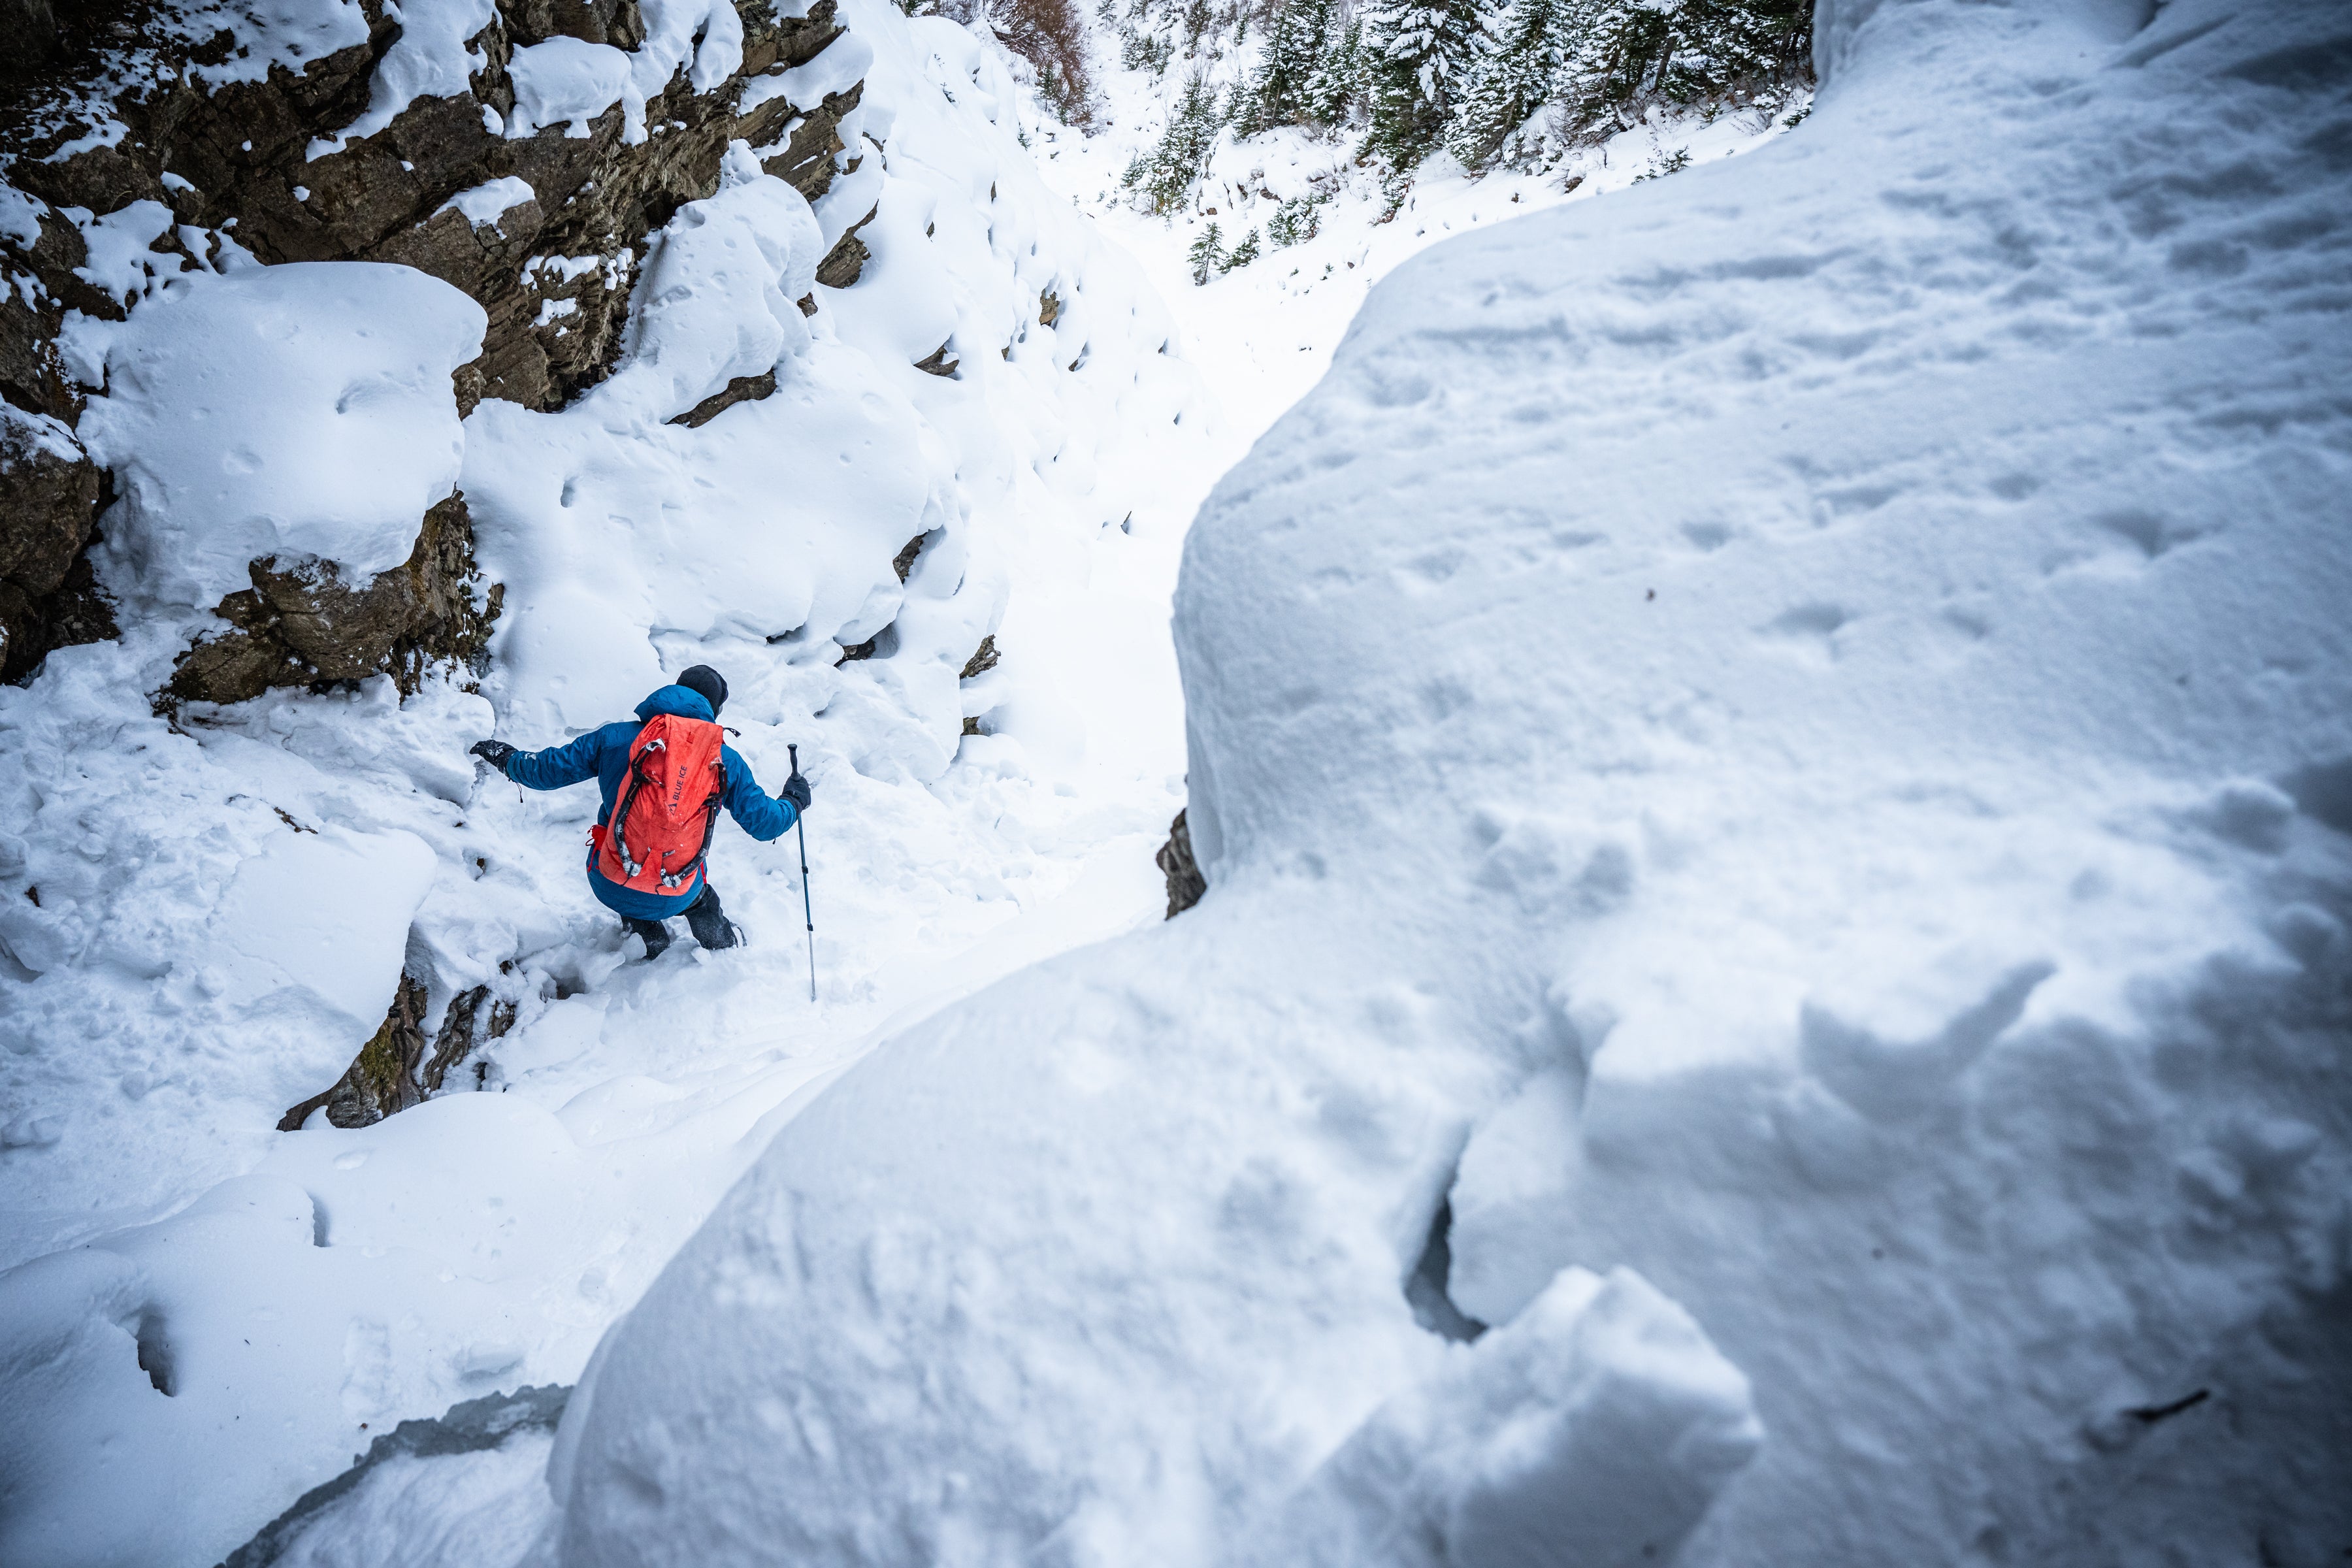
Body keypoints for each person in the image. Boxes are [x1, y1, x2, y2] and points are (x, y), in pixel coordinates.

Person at [467, 665, 812, 960]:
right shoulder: (726, 760)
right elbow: (765, 824)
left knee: (625, 873)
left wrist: (505, 756)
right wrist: (794, 800)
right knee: (702, 901)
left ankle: (647, 938)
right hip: (680, 890)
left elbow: (542, 771)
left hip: (609, 881)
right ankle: (724, 947)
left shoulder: (615, 738)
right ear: (715, 710)